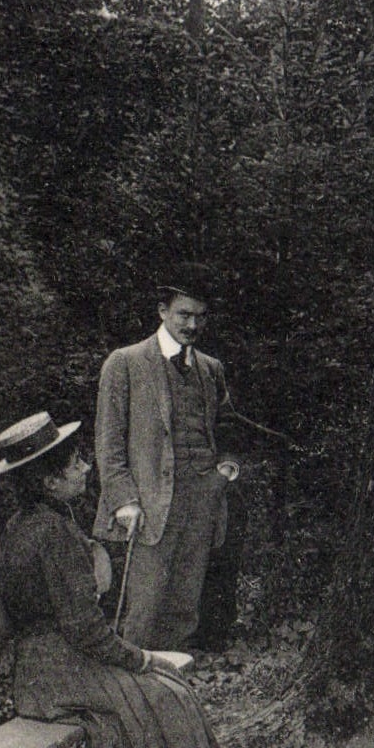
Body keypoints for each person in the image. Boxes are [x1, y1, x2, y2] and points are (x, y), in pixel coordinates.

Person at [0, 411, 236, 748]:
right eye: (75, 462)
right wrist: (141, 658)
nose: (86, 468)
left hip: (52, 662)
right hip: (55, 672)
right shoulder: (47, 532)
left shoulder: (40, 521)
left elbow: (73, 608)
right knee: (162, 694)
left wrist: (94, 552)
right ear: (48, 479)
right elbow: (87, 632)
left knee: (164, 693)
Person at [93, 274, 240, 650]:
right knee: (142, 609)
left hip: (202, 502)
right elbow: (108, 442)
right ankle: (135, 694)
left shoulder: (211, 368)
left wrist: (225, 468)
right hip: (149, 505)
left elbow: (227, 428)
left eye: (201, 316)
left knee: (184, 605)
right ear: (163, 311)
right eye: (184, 315)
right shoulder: (125, 363)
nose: (193, 325)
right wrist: (124, 499)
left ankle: (170, 689)